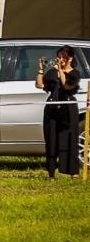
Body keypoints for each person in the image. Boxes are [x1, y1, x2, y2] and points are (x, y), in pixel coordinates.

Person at [35, 45, 82, 178]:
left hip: (68, 109)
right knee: (51, 139)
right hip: (52, 107)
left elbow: (67, 85)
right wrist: (41, 69)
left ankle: (73, 171)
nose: (60, 59)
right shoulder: (52, 72)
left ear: (70, 58)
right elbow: (40, 85)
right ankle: (51, 172)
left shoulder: (74, 73)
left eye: (64, 57)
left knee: (69, 138)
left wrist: (61, 70)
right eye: (59, 56)